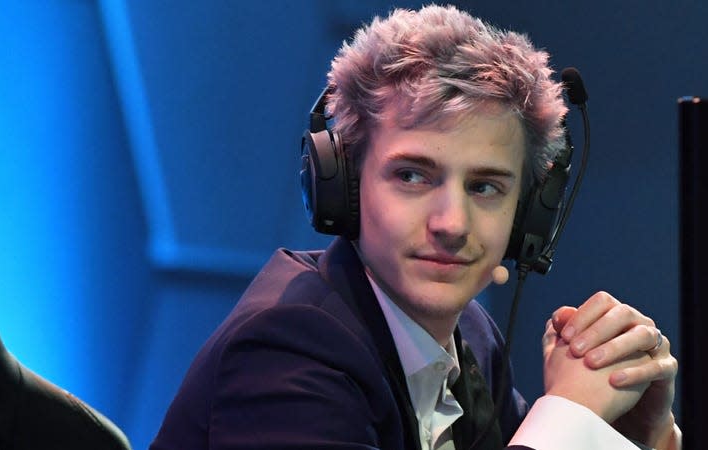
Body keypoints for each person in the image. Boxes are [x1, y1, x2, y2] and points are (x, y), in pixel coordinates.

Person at [150, 5, 679, 450]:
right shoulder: (284, 353)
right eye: (412, 176)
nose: (451, 224)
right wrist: (567, 418)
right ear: (346, 186)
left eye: (485, 187)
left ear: (526, 215)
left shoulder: (471, 336)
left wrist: (633, 435)